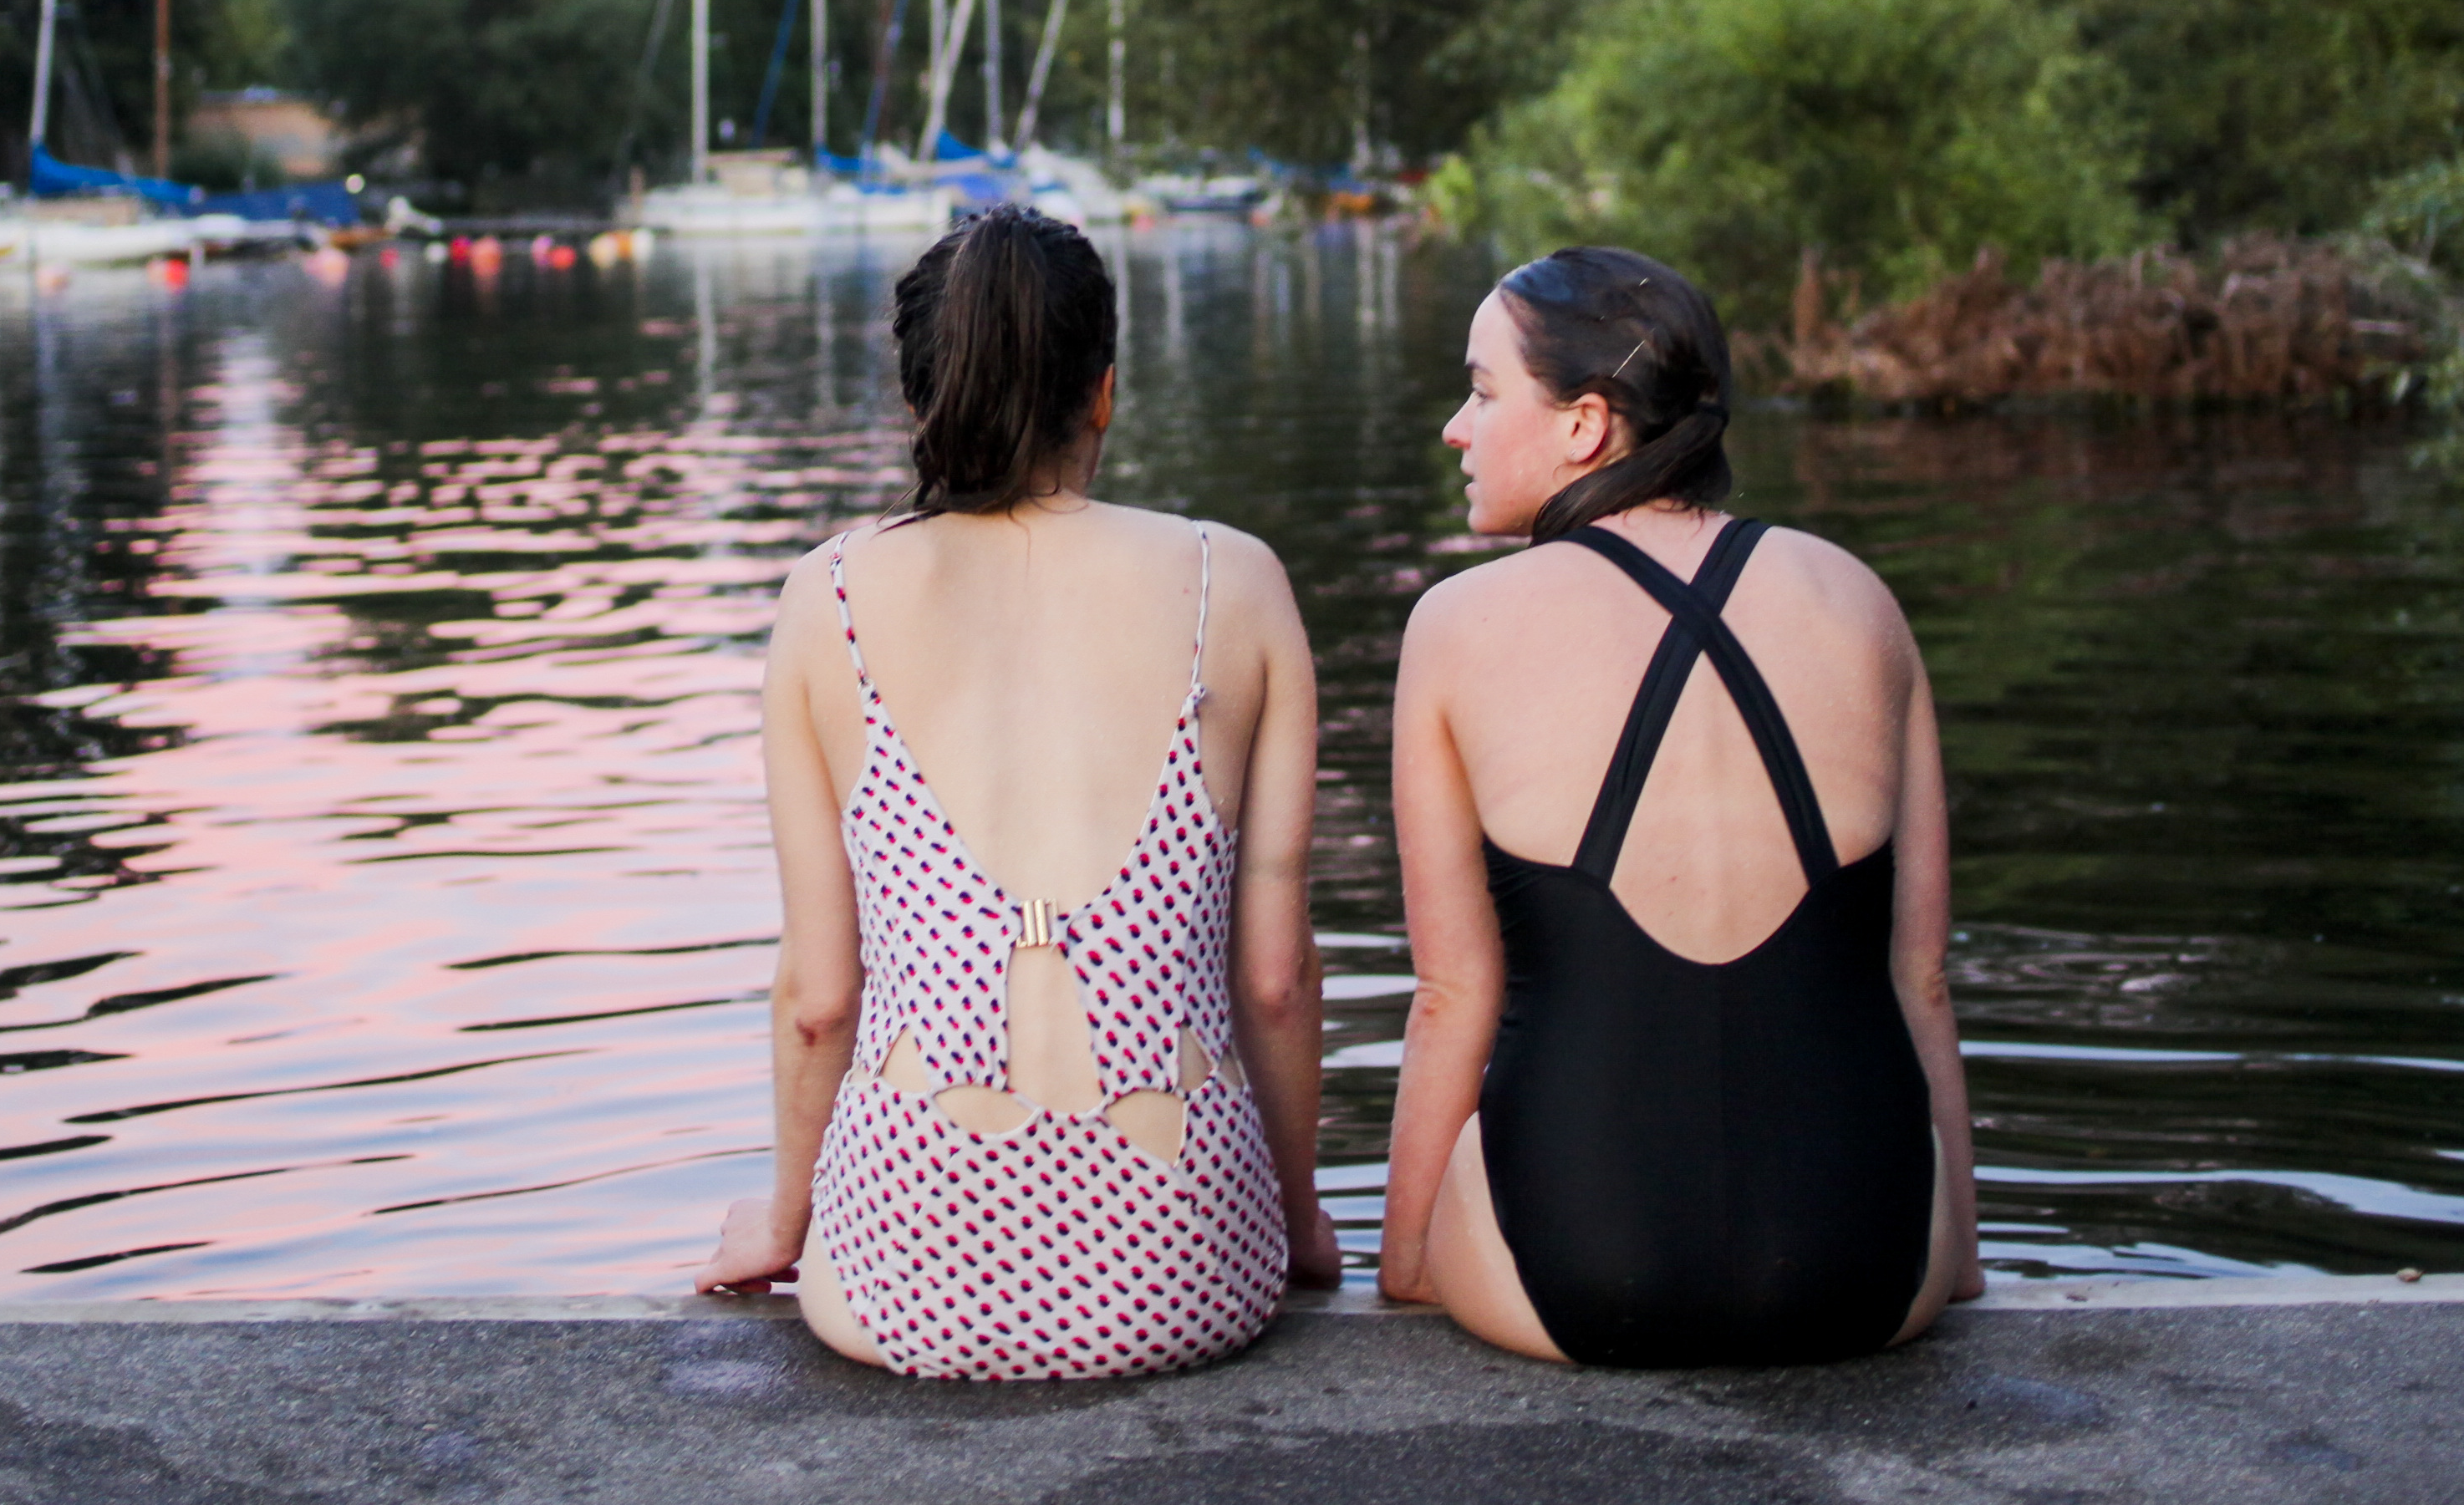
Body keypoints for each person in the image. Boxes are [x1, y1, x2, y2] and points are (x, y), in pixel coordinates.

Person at [695, 204, 1340, 1375]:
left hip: (903, 1282)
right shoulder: (1231, 584)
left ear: (917, 398)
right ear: (1102, 393)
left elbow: (817, 998)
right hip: (1185, 1276)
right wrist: (1296, 1227)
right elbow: (1277, 980)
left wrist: (785, 1223)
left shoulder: (823, 598)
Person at [1382, 246, 1983, 1365]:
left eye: (1478, 391)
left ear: (1584, 426)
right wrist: (1957, 1260)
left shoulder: (1457, 628)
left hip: (1579, 1276)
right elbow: (1923, 984)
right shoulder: (1857, 599)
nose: (1457, 430)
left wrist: (1411, 1263)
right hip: (1866, 1274)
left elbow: (1449, 996)